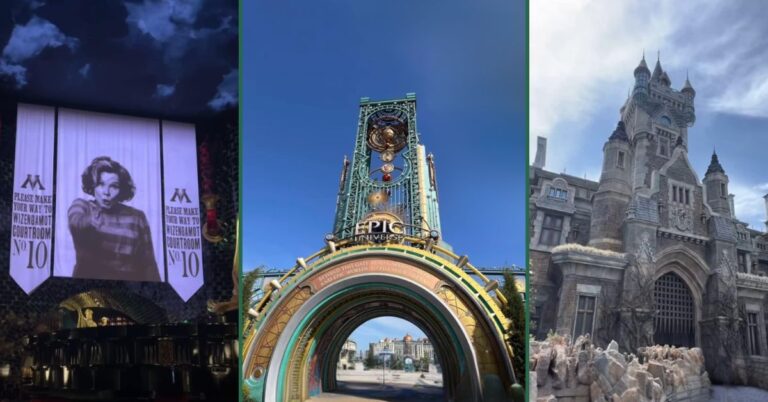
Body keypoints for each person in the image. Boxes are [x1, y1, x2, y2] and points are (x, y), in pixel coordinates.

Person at [68, 156, 160, 281]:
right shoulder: (83, 206)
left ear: (121, 190)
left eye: (114, 186)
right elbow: (76, 222)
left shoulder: (137, 217)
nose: (106, 192)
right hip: (90, 287)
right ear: (92, 185)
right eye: (101, 184)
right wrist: (90, 221)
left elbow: (149, 264)